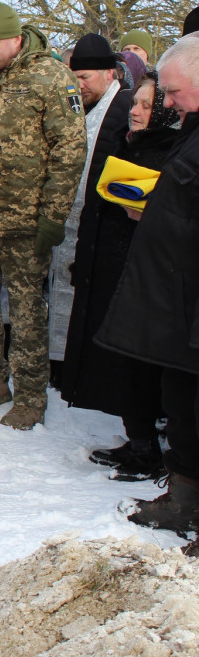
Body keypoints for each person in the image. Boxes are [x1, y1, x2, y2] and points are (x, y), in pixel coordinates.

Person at [94, 35, 199, 546]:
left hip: (190, 296)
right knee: (181, 402)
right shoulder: (192, 132)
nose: (167, 103)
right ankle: (183, 499)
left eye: (174, 92)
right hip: (177, 300)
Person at [0, 0, 86, 429]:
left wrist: (52, 216)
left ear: (17, 38)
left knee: (26, 310)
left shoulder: (51, 77)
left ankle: (32, 395)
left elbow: (69, 151)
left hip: (26, 219)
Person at [61, 71, 179, 480]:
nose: (136, 112)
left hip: (146, 274)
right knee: (122, 361)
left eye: (148, 105)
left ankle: (148, 448)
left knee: (140, 365)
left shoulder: (170, 153)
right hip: (113, 267)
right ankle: (138, 439)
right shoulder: (130, 145)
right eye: (135, 104)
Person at [47, 35, 132, 373]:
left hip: (105, 225)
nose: (78, 85)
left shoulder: (122, 108)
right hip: (69, 228)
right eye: (73, 77)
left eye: (85, 77)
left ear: (109, 74)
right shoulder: (74, 108)